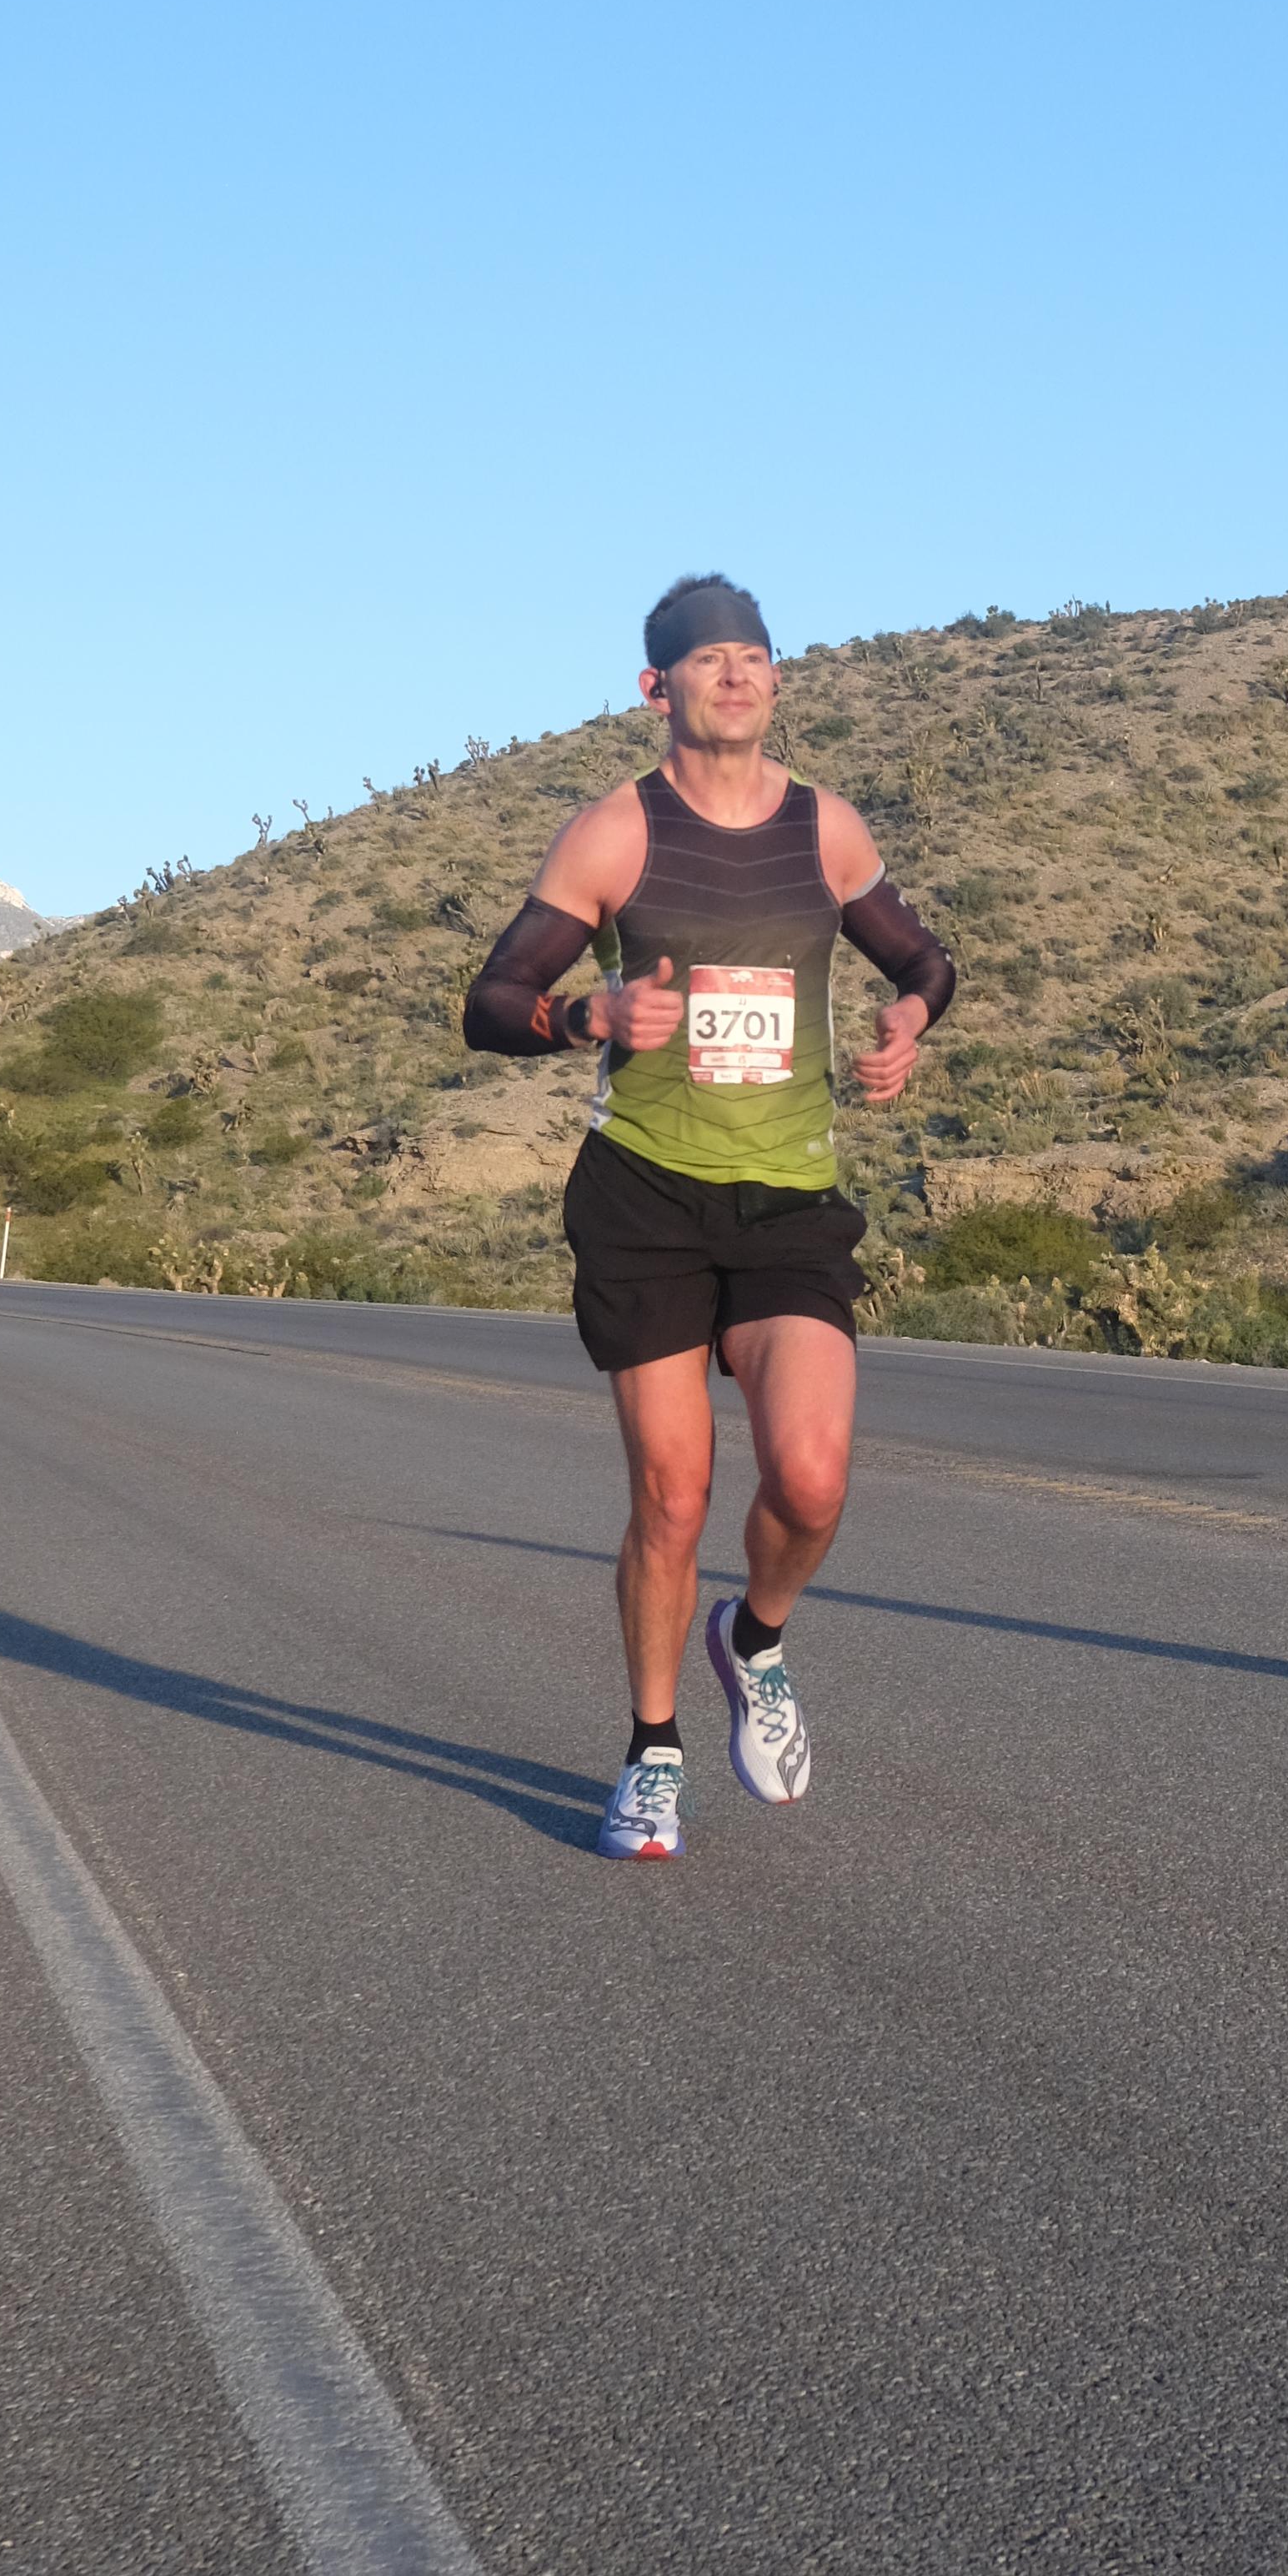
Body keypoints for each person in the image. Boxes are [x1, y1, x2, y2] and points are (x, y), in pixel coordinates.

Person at [463, 573, 958, 1859]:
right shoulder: (613, 834)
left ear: (775, 679)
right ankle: (653, 1753)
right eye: (706, 659)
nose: (735, 675)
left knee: (812, 1476)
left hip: (788, 1197)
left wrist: (909, 1018)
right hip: (645, 1197)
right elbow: (492, 1000)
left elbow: (923, 960)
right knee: (673, 1499)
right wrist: (588, 1014)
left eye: (753, 656)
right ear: (657, 688)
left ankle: (756, 1638)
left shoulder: (825, 831)